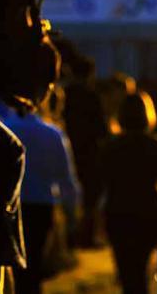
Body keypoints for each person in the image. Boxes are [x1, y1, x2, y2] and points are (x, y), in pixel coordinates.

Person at [0, 93, 80, 294]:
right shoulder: (52, 134)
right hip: (42, 204)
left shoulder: (4, 129)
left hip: (12, 205)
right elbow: (65, 178)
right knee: (35, 263)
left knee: (12, 265)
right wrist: (72, 213)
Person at [99, 91, 157, 294]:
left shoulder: (111, 147)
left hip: (118, 215)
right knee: (144, 271)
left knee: (127, 274)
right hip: (148, 216)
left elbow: (100, 185)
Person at [57, 36, 107, 248]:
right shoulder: (91, 96)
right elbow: (101, 128)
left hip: (67, 149)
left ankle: (68, 236)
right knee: (89, 197)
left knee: (66, 194)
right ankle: (86, 236)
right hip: (88, 153)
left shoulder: (64, 95)